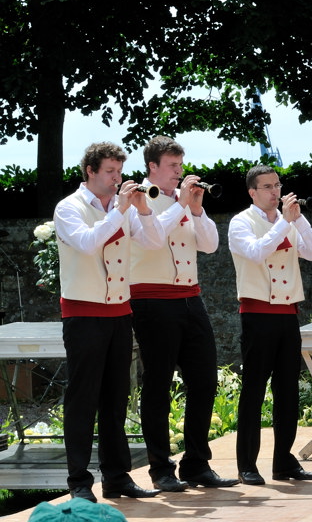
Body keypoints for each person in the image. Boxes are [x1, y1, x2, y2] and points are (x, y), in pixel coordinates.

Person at [53, 142, 165, 501]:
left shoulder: (124, 208)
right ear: (90, 171)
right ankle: (79, 484)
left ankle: (117, 478)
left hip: (119, 313)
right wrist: (119, 211)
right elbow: (87, 244)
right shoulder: (68, 208)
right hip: (84, 314)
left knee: (117, 400)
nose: (118, 178)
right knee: (83, 400)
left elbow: (155, 242)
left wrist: (144, 209)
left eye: (119, 172)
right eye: (110, 172)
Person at [130, 136, 238, 491]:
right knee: (158, 384)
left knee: (205, 379)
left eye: (180, 165)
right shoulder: (137, 200)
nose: (180, 172)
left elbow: (209, 245)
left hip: (191, 298)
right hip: (152, 299)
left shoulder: (182, 201)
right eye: (173, 166)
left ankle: (196, 464)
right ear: (153, 168)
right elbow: (155, 237)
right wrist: (180, 206)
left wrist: (196, 208)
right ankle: (161, 469)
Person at [228, 164, 312, 485]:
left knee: (288, 393)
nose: (275, 191)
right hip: (257, 315)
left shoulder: (289, 221)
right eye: (268, 187)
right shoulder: (240, 222)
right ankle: (247, 464)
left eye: (277, 185)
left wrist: (299, 219)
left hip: (287, 314)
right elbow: (256, 253)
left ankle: (284, 462)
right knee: (254, 391)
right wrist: (284, 222)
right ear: (252, 192)